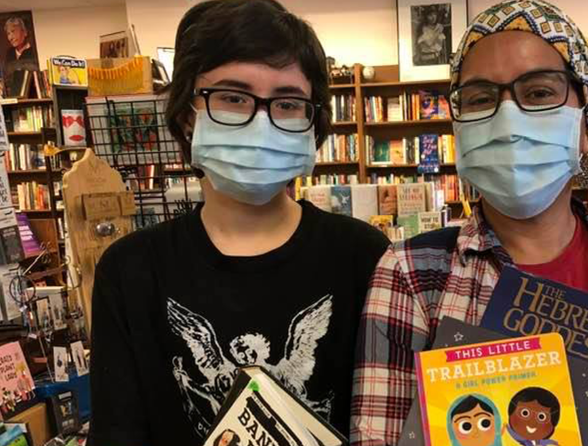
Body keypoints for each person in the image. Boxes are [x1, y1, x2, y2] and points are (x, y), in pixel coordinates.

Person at [351, 2, 588, 446]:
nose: (507, 118)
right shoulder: (413, 276)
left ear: (585, 121)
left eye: (538, 93)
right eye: (480, 98)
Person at [88, 1, 390, 446]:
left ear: (313, 122)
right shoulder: (131, 272)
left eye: (288, 102)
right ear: (188, 113)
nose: (261, 122)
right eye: (232, 97)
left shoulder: (365, 257)